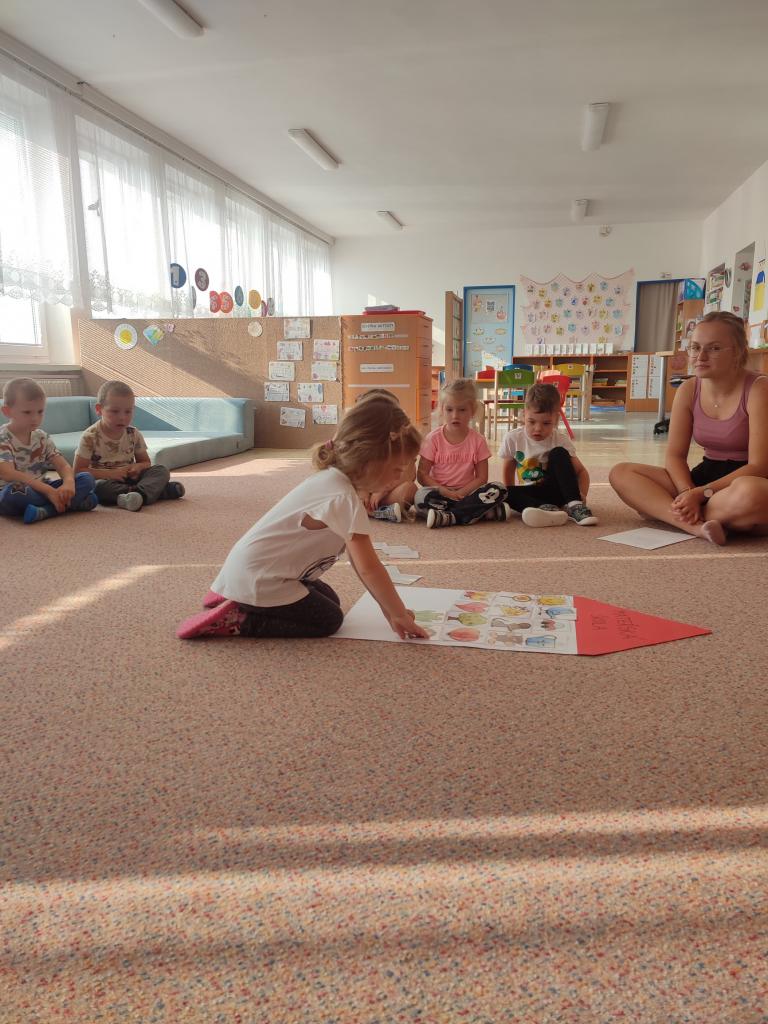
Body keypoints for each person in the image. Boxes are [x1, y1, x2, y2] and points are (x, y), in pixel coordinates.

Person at [176, 396, 430, 640]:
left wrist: (389, 611)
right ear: (370, 460)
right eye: (397, 468)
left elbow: (359, 563)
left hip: (250, 571)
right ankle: (239, 618)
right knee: (328, 619)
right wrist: (398, 613)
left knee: (330, 599)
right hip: (259, 579)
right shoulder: (342, 498)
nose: (400, 477)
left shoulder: (334, 481)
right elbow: (369, 567)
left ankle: (237, 594)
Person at [610, 311, 768, 545]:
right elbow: (674, 456)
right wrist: (687, 492)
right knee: (622, 473)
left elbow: (759, 466)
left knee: (751, 493)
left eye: (714, 348)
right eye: (695, 348)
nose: (700, 356)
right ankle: (698, 526)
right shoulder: (688, 389)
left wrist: (701, 494)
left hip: (747, 479)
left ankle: (670, 513)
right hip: (704, 476)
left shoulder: (759, 389)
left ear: (737, 351)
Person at [73, 380, 185, 511]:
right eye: (115, 411)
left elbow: (145, 462)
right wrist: (111, 474)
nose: (122, 417)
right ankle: (159, 492)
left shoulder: (133, 433)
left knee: (161, 470)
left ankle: (137, 495)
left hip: (132, 479)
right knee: (99, 488)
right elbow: (78, 471)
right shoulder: (90, 436)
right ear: (99, 409)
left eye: (128, 412)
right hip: (106, 481)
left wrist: (138, 467)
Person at [414, 377, 510, 528]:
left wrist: (462, 492)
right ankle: (480, 512)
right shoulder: (433, 439)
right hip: (441, 493)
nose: (455, 416)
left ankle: (450, 516)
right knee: (420, 497)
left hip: (468, 493)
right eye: (449, 409)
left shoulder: (478, 440)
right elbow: (422, 474)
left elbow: (482, 477)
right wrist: (444, 491)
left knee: (499, 488)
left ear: (472, 411)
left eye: (462, 410)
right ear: (441, 409)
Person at [0, 377, 98, 524]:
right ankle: (72, 504)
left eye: (40, 411)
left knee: (86, 478)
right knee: (12, 492)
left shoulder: (42, 437)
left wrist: (68, 483)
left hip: (43, 489)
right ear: (7, 411)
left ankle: (46, 511)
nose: (35, 418)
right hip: (15, 492)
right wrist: (49, 491)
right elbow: (8, 473)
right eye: (27, 412)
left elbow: (63, 466)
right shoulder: (3, 437)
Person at [500, 382, 597, 527]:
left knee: (559, 452)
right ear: (524, 414)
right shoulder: (513, 438)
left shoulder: (561, 440)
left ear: (556, 419)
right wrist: (511, 494)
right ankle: (544, 509)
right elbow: (508, 469)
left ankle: (575, 507)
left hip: (558, 493)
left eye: (546, 423)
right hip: (531, 493)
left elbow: (581, 472)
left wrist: (581, 496)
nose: (538, 429)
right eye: (531, 422)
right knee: (501, 491)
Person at [355, 388, 418, 523]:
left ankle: (378, 510)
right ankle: (376, 510)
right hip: (364, 492)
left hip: (388, 493)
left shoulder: (402, 441)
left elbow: (408, 473)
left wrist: (382, 490)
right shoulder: (359, 441)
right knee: (343, 491)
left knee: (410, 489)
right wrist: (363, 491)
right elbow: (352, 470)